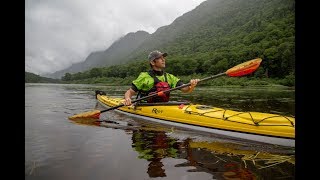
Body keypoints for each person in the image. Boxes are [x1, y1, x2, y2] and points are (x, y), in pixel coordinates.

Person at [123, 50, 200, 106]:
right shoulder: (144, 76)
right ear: (153, 62)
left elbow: (185, 89)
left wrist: (191, 85)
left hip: (163, 106)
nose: (163, 60)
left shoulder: (170, 77)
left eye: (163, 58)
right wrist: (127, 99)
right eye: (160, 58)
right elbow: (129, 92)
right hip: (144, 106)